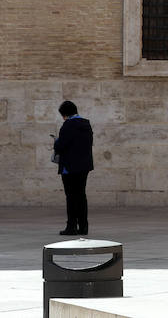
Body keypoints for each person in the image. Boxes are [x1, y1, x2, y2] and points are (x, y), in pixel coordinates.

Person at [54, 100, 94, 236]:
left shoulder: (68, 125)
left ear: (64, 114)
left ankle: (71, 226)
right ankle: (83, 227)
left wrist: (56, 142)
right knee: (81, 196)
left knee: (71, 197)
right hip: (84, 166)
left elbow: (60, 147)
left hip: (69, 167)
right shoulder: (86, 124)